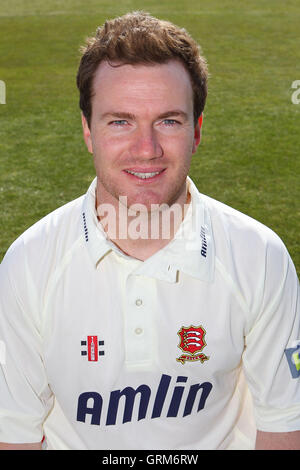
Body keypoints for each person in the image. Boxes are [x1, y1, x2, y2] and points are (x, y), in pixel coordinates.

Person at [0, 11, 299, 451]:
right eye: (120, 121)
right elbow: (15, 434)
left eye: (169, 121)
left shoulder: (260, 256)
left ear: (196, 131)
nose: (146, 149)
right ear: (88, 131)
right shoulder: (29, 263)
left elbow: (284, 425)